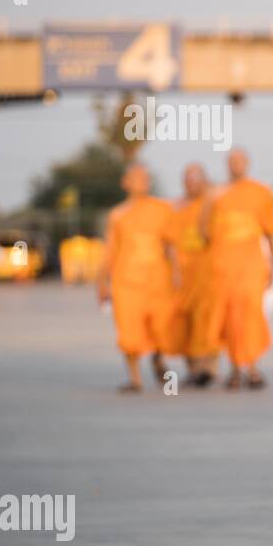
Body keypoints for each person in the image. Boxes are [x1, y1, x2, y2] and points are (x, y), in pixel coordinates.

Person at [200, 149, 273, 390]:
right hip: (224, 264)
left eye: (240, 161)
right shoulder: (215, 194)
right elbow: (203, 231)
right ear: (227, 165)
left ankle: (252, 367)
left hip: (252, 263)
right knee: (230, 316)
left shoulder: (261, 193)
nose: (236, 165)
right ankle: (236, 369)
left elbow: (271, 232)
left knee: (251, 313)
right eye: (232, 161)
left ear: (247, 163)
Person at [96, 163, 177, 393]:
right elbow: (110, 251)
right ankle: (135, 379)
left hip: (157, 278)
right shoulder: (118, 214)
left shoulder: (162, 209)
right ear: (126, 182)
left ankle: (158, 357)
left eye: (144, 178)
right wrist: (101, 283)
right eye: (136, 177)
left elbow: (170, 244)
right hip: (126, 281)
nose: (141, 181)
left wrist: (177, 273)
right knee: (128, 329)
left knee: (161, 326)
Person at [165, 163, 219, 386]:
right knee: (184, 321)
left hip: (207, 271)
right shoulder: (175, 207)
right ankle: (193, 368)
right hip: (181, 273)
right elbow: (167, 240)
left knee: (208, 320)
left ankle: (209, 368)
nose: (191, 183)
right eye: (188, 178)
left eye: (196, 178)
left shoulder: (212, 204)